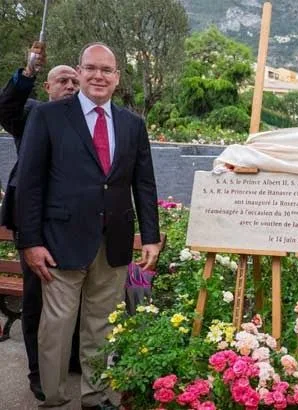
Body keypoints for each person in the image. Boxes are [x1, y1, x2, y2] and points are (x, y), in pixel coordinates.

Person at [15, 42, 161, 410]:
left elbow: (143, 183)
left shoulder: (132, 124)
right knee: (57, 327)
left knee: (101, 324)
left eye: (107, 70)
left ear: (117, 78)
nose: (99, 76)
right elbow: (30, 184)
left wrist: (152, 236)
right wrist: (31, 241)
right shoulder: (48, 116)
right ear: (79, 73)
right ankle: (54, 398)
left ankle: (95, 397)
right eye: (91, 68)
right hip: (59, 242)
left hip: (112, 241)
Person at [0, 41, 80, 401]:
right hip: (34, 225)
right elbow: (6, 106)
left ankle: (71, 360)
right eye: (62, 80)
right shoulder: (30, 113)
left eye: (75, 82)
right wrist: (28, 71)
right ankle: (38, 373)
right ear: (47, 87)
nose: (70, 86)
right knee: (36, 301)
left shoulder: (88, 120)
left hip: (75, 226)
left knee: (75, 296)